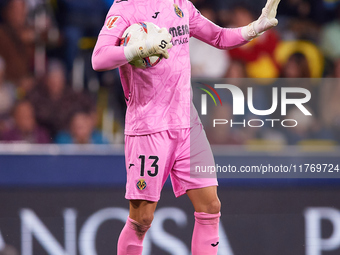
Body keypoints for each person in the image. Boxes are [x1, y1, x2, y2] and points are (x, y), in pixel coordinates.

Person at [92, 0, 280, 254]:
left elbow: (219, 37)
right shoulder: (125, 9)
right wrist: (134, 50)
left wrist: (255, 28)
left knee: (210, 206)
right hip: (149, 129)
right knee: (142, 220)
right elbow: (98, 59)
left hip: (187, 124)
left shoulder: (181, 5)